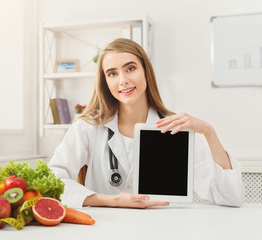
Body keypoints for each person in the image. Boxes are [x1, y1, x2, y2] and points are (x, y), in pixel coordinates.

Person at [48, 38, 244, 209]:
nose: (123, 80)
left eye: (130, 68)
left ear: (146, 72)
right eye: (112, 73)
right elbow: (53, 183)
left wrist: (209, 132)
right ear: (105, 82)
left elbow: (230, 197)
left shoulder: (177, 128)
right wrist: (110, 200)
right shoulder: (88, 128)